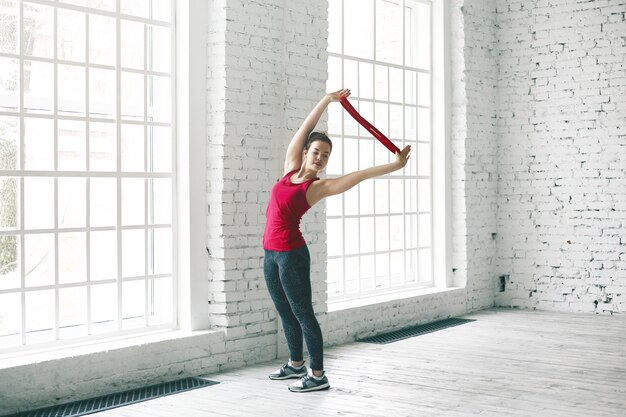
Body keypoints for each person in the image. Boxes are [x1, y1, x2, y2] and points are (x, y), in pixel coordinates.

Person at [263, 88, 411, 392]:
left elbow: (358, 175)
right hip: (270, 254)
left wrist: (394, 165)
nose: (320, 158)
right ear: (306, 152)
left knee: (303, 312)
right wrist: (327, 101)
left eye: (326, 156)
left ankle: (317, 375)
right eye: (316, 152)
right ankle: (295, 365)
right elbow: (304, 129)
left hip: (291, 255)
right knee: (284, 311)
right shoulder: (289, 168)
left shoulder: (316, 187)